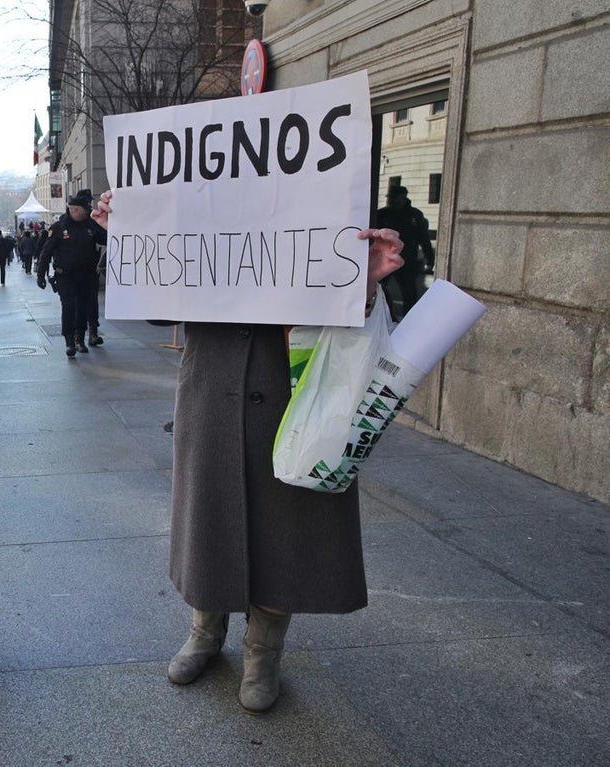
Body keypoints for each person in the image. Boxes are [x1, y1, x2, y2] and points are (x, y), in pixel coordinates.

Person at [90, 189, 404, 714]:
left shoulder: (321, 195)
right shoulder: (195, 196)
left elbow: (348, 318)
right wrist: (131, 240)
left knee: (285, 524)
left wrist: (363, 283)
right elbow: (153, 310)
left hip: (292, 392)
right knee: (208, 516)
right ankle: (205, 632)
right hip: (211, 390)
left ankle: (263, 653)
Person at [36, 189, 108, 357]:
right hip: (66, 276)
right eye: (85, 208)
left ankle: (80, 338)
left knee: (83, 308)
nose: (88, 211)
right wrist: (41, 274)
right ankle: (69, 340)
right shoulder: (59, 227)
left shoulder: (90, 225)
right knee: (69, 308)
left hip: (87, 276)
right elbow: (46, 252)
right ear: (74, 209)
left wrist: (108, 224)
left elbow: (106, 238)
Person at [375, 185, 434, 317]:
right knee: (377, 290)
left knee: (409, 293)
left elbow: (424, 238)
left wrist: (430, 259)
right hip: (384, 259)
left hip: (407, 260)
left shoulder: (414, 215)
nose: (393, 201)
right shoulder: (382, 214)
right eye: (391, 198)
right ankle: (381, 316)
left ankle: (409, 320)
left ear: (403, 198)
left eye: (396, 198)